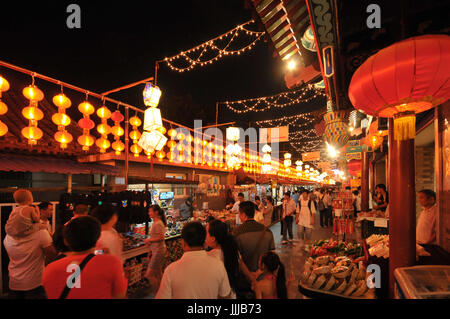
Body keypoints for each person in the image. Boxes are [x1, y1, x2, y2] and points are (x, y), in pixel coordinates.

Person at [42, 216, 128, 299]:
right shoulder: (110, 262)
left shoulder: (50, 269)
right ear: (97, 238)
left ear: (66, 241)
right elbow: (119, 295)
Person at [3, 190, 57, 299]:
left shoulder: (8, 237)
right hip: (35, 284)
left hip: (14, 283)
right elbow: (52, 254)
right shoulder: (41, 234)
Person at [156, 222, 231, 299]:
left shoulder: (170, 270)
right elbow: (226, 295)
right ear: (204, 242)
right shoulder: (218, 265)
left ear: (183, 243)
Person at [233, 201, 275, 276]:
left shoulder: (237, 233)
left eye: (239, 213)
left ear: (243, 215)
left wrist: (250, 276)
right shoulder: (267, 231)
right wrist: (259, 272)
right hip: (264, 276)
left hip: (245, 277)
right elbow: (272, 256)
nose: (238, 216)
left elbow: (236, 258)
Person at [206, 219, 239, 298]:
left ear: (213, 238)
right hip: (232, 292)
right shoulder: (231, 249)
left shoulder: (210, 256)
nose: (204, 235)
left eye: (206, 233)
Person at [144, 204, 167, 294]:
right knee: (158, 274)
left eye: (150, 211)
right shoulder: (157, 222)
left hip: (158, 251)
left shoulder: (158, 223)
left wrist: (149, 240)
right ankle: (163, 293)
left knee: (149, 275)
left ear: (156, 212)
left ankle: (157, 293)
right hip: (157, 251)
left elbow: (161, 238)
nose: (148, 213)